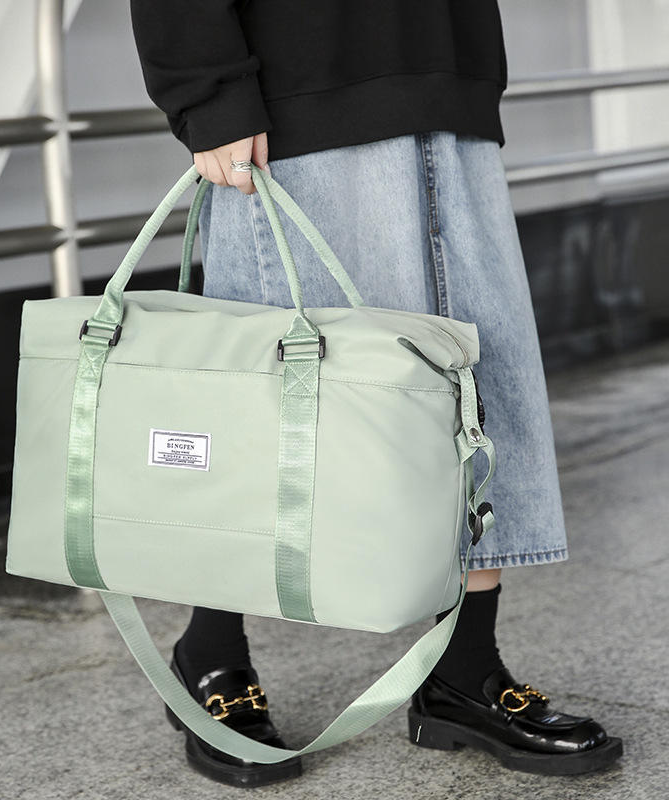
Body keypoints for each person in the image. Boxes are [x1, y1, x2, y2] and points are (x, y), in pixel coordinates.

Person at [128, 0, 623, 787]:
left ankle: (463, 671)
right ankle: (211, 651)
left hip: (446, 82)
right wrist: (208, 91)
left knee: (474, 394)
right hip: (296, 99)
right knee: (273, 404)